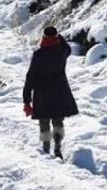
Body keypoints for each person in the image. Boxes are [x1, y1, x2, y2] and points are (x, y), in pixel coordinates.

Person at [23, 26, 79, 158]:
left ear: (43, 37)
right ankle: (58, 146)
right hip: (60, 92)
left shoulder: (39, 54)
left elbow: (30, 77)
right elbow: (67, 47)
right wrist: (58, 37)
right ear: (55, 37)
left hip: (42, 94)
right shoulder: (61, 51)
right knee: (58, 121)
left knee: (44, 122)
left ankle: (46, 148)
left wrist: (26, 99)